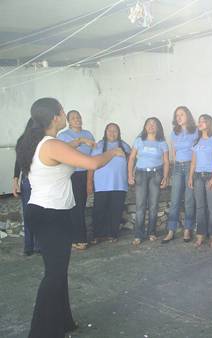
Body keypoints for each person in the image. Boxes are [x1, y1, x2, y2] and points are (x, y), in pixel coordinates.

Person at [16, 97, 123, 338]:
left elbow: (66, 153)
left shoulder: (38, 142)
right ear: (55, 117)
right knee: (54, 275)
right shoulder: (51, 144)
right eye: (63, 111)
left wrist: (80, 141)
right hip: (50, 215)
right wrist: (113, 152)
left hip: (46, 212)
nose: (66, 114)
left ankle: (63, 321)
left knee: (58, 271)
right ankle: (41, 332)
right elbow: (93, 162)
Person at [57, 110, 95, 250]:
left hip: (86, 173)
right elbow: (62, 151)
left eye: (78, 117)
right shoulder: (63, 136)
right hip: (71, 175)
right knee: (74, 206)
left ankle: (77, 238)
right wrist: (79, 142)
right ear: (68, 121)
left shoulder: (88, 134)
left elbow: (93, 153)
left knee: (80, 206)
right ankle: (80, 238)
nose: (77, 119)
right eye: (73, 118)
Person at [128, 117, 169, 246]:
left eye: (154, 124)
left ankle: (152, 232)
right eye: (148, 124)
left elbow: (166, 161)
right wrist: (130, 174)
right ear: (145, 127)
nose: (151, 126)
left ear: (158, 127)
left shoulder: (162, 142)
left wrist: (166, 176)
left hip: (156, 174)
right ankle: (138, 235)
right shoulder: (139, 140)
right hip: (140, 174)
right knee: (140, 205)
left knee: (153, 205)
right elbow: (132, 158)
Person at [89, 123, 131, 242]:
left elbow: (132, 158)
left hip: (119, 184)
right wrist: (89, 182)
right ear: (105, 132)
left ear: (119, 133)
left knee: (116, 210)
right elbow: (91, 164)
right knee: (99, 210)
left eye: (115, 131)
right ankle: (97, 235)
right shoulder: (99, 145)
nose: (112, 133)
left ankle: (113, 234)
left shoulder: (124, 145)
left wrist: (130, 173)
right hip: (102, 184)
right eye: (109, 130)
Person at [162, 106, 197, 244]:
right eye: (177, 115)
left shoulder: (195, 131)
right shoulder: (174, 133)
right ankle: (171, 230)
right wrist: (176, 164)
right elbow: (174, 152)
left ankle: (187, 229)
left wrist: (192, 171)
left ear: (188, 115)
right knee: (175, 198)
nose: (179, 117)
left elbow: (196, 152)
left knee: (189, 199)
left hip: (190, 166)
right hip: (177, 166)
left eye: (182, 114)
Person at [188, 114, 212, 248]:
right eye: (199, 121)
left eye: (203, 121)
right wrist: (190, 177)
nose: (200, 123)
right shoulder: (196, 142)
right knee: (200, 207)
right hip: (197, 177)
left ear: (209, 124)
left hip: (209, 177)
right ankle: (200, 235)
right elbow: (193, 163)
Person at [13, 118, 40, 256]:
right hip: (31, 182)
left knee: (31, 214)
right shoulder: (40, 141)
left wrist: (15, 181)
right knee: (35, 214)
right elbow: (18, 162)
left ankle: (32, 246)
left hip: (31, 181)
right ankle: (33, 245)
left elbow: (18, 162)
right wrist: (15, 181)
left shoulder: (40, 140)